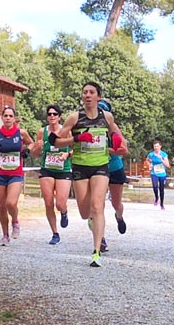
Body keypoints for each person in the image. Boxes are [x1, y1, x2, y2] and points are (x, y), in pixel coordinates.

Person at [48, 82, 124, 267]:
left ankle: (96, 251)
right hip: (81, 167)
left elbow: (118, 137)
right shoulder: (75, 118)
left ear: (98, 97)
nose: (88, 95)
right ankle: (91, 221)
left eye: (92, 92)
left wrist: (115, 139)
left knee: (98, 206)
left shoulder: (107, 117)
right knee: (84, 212)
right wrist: (76, 139)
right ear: (82, 97)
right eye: (85, 92)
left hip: (101, 166)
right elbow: (55, 141)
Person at [0, 106, 34, 246]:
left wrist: (27, 150)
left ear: (14, 118)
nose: (8, 118)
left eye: (11, 116)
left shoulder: (21, 133)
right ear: (2, 118)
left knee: (11, 202)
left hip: (15, 173)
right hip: (0, 173)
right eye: (6, 116)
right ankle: (5, 235)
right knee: (2, 206)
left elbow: (32, 143)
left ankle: (15, 221)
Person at [33, 104, 72, 245]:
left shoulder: (66, 131)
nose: (52, 116)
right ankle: (55, 233)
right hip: (47, 169)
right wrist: (38, 147)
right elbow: (35, 153)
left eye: (55, 114)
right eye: (49, 114)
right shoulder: (41, 132)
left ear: (59, 117)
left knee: (60, 203)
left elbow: (77, 149)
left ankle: (64, 211)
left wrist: (67, 154)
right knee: (48, 202)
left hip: (63, 169)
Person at [98, 99, 129, 251]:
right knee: (98, 204)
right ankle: (101, 238)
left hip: (114, 167)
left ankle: (119, 216)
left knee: (116, 203)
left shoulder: (113, 128)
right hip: (97, 167)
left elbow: (124, 150)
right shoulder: (87, 126)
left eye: (103, 111)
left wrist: (105, 149)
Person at [146, 140, 170, 210]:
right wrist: (149, 164)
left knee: (161, 189)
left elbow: (168, 165)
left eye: (157, 146)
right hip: (154, 173)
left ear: (160, 146)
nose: (156, 148)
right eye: (155, 146)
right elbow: (147, 160)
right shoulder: (151, 154)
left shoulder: (164, 154)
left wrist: (161, 159)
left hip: (162, 173)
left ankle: (162, 204)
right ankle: (156, 198)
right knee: (155, 186)